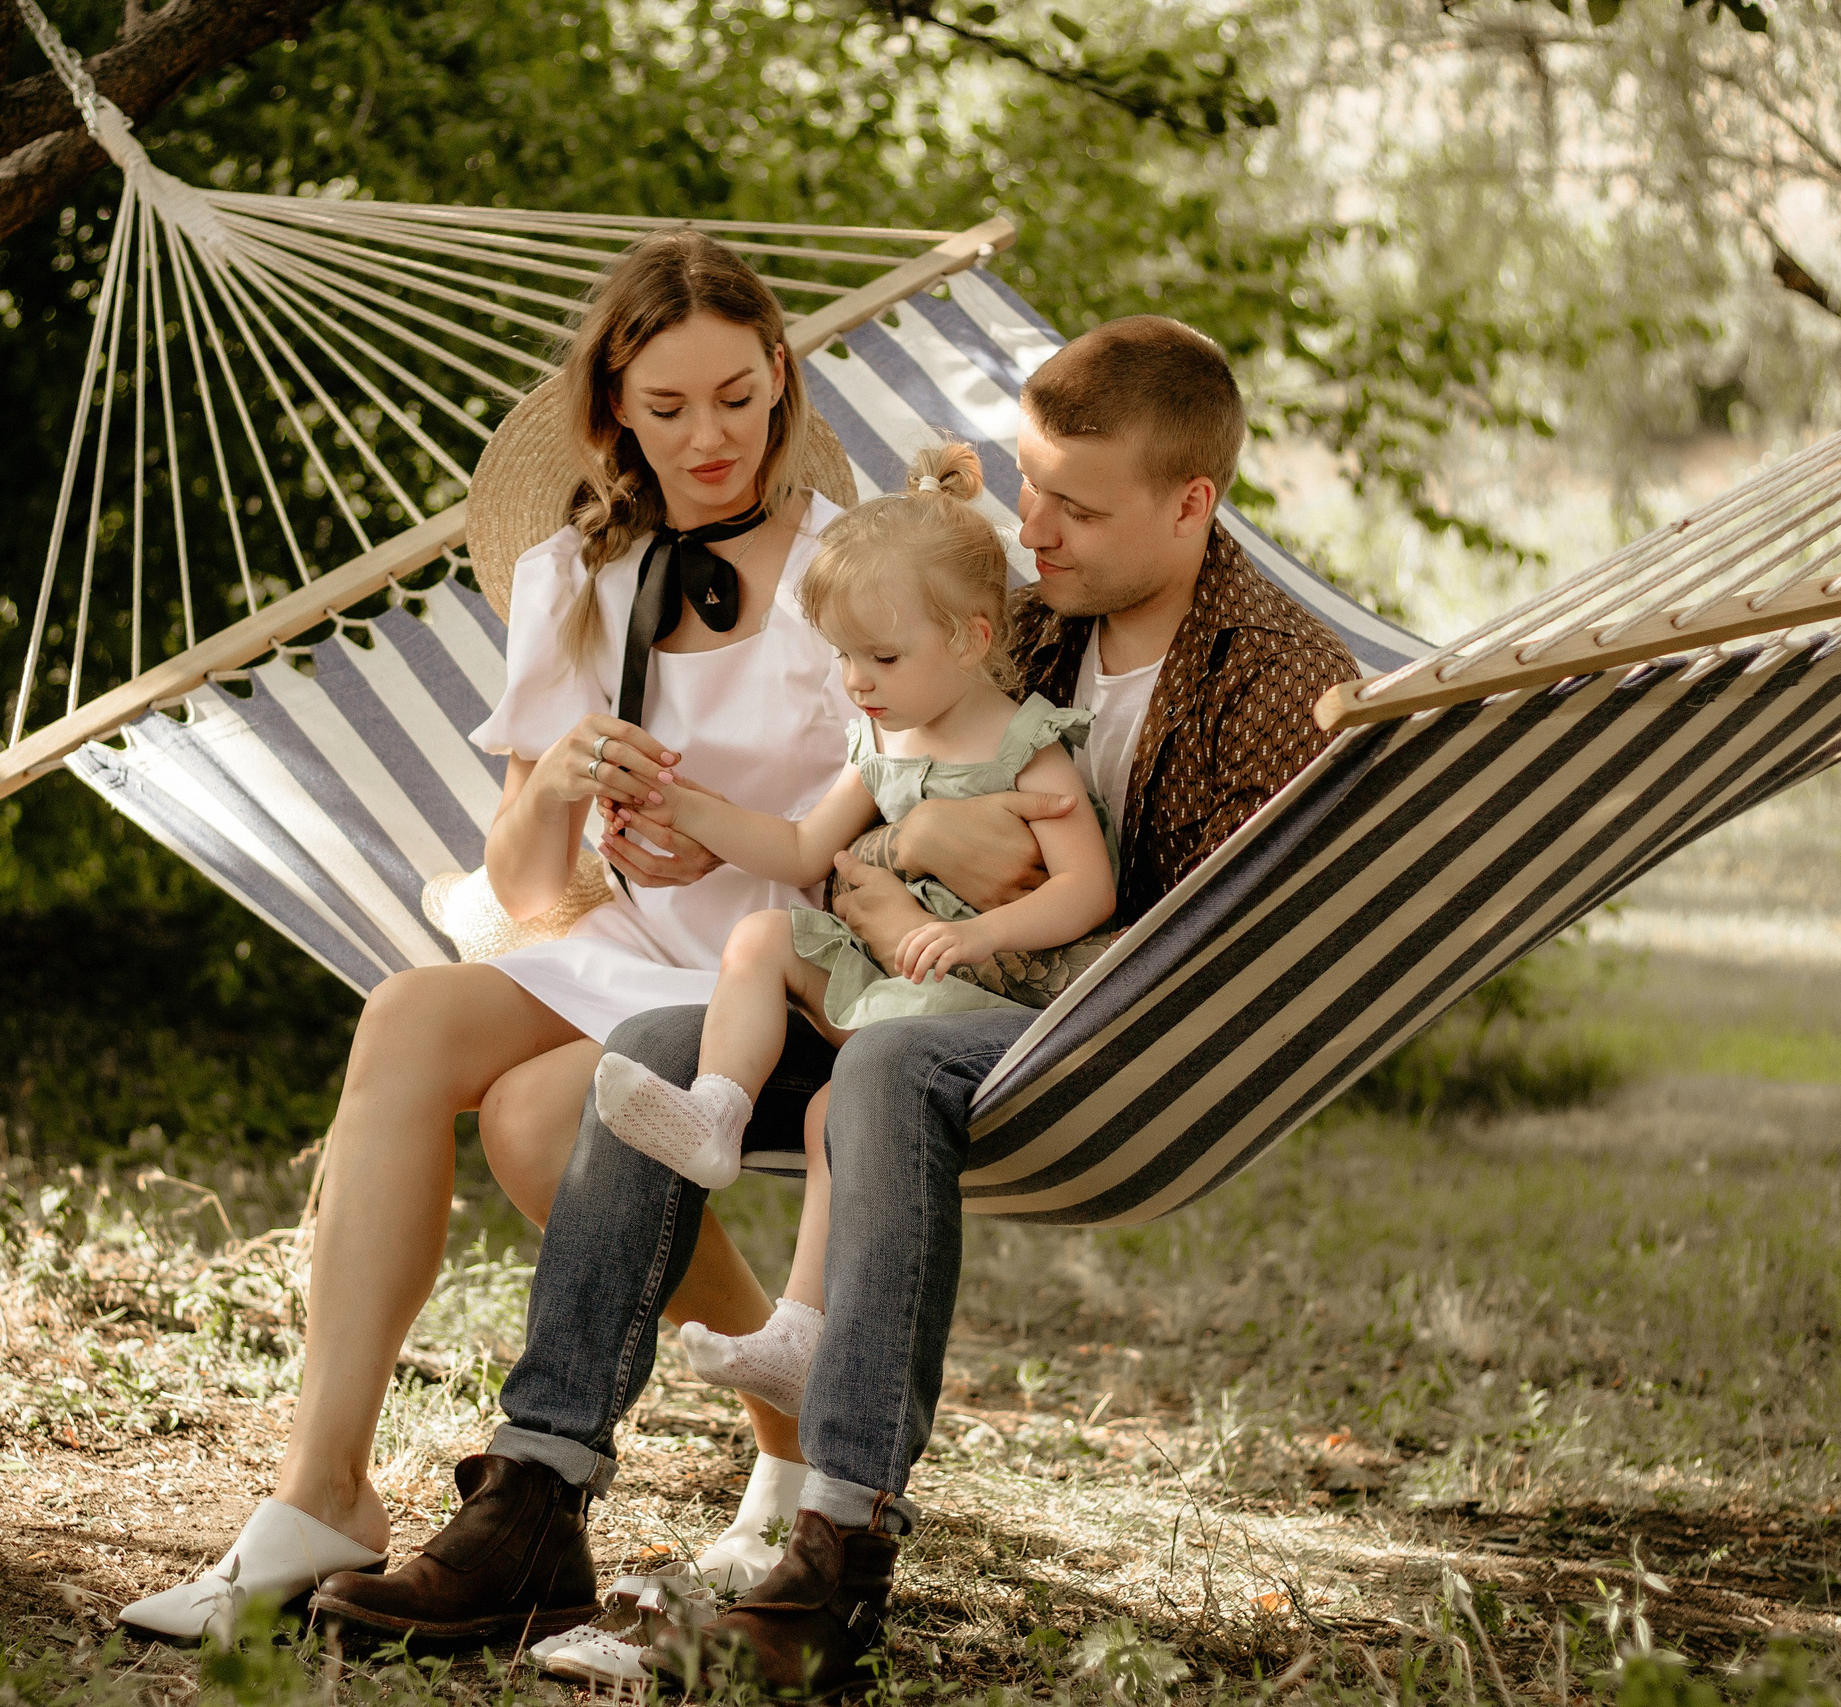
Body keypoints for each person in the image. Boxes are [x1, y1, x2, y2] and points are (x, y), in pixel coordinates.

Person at [306, 316, 1362, 1696]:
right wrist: (894, 865)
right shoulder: (1025, 605)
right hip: (904, 970)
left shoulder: (1279, 678)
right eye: (1028, 484)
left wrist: (1009, 897)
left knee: (880, 1073)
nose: (1033, 525)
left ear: (1190, 502)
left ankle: (833, 1552)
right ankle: (535, 1495)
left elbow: (1231, 951)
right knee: (646, 1050)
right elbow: (881, 795)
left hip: (1080, 1036)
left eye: (1075, 505)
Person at [118, 230, 856, 1643]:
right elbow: (522, 883)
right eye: (667, 406)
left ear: (780, 378)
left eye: (736, 396)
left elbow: (886, 823)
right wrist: (570, 774)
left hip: (783, 962)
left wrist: (726, 828)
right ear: (614, 415)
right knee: (407, 1014)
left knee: (539, 1120)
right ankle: (323, 1488)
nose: (710, 436)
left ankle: (788, 1436)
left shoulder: (843, 574)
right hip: (619, 940)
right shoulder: (576, 576)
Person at [589, 441, 1115, 1419]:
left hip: (971, 993)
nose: (855, 682)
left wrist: (975, 933)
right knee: (760, 941)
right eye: (840, 656)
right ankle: (716, 1113)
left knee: (844, 1113)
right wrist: (687, 806)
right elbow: (797, 850)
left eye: (879, 658)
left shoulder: (1024, 746)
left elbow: (1085, 892)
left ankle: (798, 1327)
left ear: (967, 641)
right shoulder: (881, 737)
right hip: (888, 972)